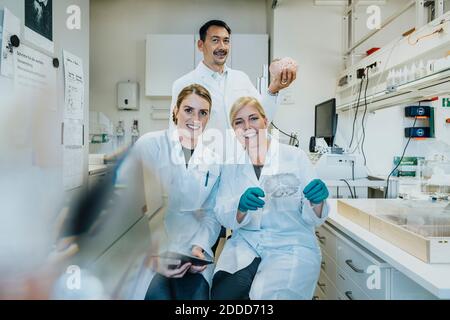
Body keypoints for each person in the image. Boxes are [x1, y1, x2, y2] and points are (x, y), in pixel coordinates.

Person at [211, 97, 330, 300]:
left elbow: (314, 217)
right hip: (246, 243)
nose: (247, 126)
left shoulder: (295, 157)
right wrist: (239, 207)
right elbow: (222, 213)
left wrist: (317, 201)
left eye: (253, 118)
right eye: (239, 122)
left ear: (265, 121)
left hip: (291, 244)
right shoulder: (231, 165)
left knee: (270, 297)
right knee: (223, 295)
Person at [117, 84, 222, 300]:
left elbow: (212, 213)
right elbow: (127, 208)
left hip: (193, 251)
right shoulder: (150, 145)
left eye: (203, 113)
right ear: (175, 111)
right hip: (150, 248)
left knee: (197, 299)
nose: (196, 118)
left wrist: (200, 247)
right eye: (188, 110)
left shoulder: (212, 160)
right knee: (158, 296)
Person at [169, 20, 296, 135]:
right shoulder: (184, 83)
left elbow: (262, 118)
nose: (222, 47)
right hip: (205, 159)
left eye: (226, 41)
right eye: (215, 40)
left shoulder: (241, 78)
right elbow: (175, 131)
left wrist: (274, 88)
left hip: (240, 157)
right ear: (201, 45)